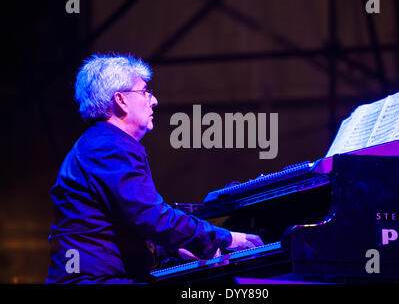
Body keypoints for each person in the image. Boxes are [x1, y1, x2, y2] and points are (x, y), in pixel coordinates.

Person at [46, 53, 263, 284]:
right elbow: (151, 217)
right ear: (121, 100)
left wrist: (175, 248)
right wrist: (224, 237)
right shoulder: (108, 147)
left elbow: (121, 228)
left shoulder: (101, 143)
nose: (154, 100)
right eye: (144, 91)